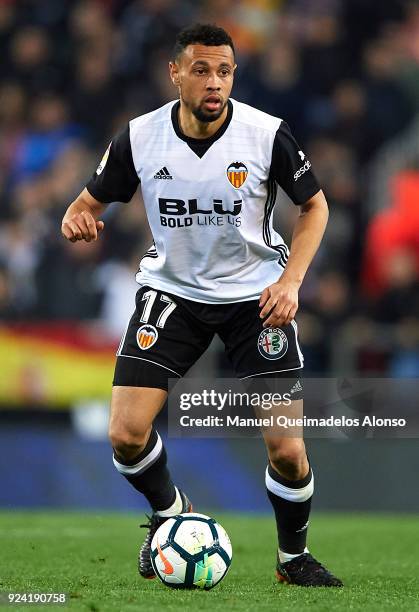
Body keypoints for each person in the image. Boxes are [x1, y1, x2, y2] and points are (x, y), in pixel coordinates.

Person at [61, 23, 342, 587]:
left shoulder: (266, 134)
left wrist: (290, 283)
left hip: (255, 296)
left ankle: (294, 560)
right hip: (173, 293)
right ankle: (171, 518)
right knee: (125, 433)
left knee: (288, 451)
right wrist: (77, 216)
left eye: (225, 71)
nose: (215, 82)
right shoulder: (140, 137)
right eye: (202, 70)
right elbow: (86, 202)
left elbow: (315, 207)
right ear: (175, 74)